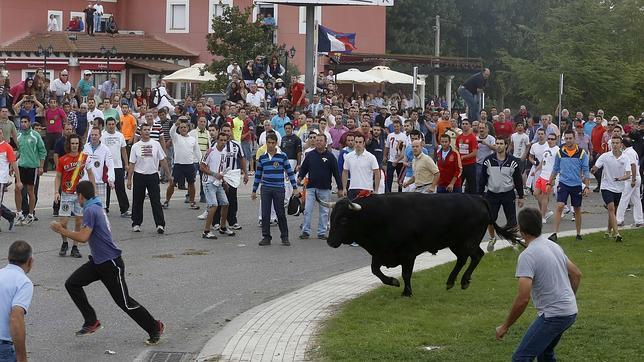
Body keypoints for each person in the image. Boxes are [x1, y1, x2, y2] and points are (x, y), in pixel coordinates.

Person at [50, 181, 165, 344]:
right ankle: (91, 321)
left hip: (111, 263)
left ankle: (155, 327)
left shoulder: (91, 209)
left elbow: (83, 238)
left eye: (77, 195)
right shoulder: (95, 206)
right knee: (72, 284)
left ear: (81, 195)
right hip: (98, 262)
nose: (77, 198)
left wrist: (61, 230)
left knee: (125, 302)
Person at [496, 208, 581, 361]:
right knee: (545, 353)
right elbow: (576, 274)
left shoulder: (527, 256)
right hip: (569, 311)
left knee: (520, 358)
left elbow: (523, 299)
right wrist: (568, 299)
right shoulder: (553, 245)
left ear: (521, 229)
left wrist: (505, 326)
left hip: (554, 315)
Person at [479, 137, 525, 252]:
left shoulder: (513, 161)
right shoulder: (488, 160)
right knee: (490, 219)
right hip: (492, 194)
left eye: (501, 143)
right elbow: (482, 179)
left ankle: (513, 242)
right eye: (497, 143)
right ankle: (492, 238)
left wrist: (521, 196)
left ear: (506, 145)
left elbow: (518, 180)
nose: (498, 145)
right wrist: (479, 195)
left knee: (512, 220)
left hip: (508, 194)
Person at [252, 133, 297, 246]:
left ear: (276, 143)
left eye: (273, 143)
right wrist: (254, 190)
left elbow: (290, 172)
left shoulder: (282, 156)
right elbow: (258, 174)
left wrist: (295, 187)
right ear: (266, 143)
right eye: (269, 142)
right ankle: (266, 237)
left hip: (279, 188)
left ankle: (285, 237)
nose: (271, 145)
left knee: (280, 213)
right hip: (266, 188)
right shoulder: (262, 157)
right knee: (265, 214)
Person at [55, 133, 95, 258]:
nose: (74, 146)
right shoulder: (62, 160)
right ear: (68, 144)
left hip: (80, 195)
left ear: (79, 144)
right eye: (72, 143)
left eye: (76, 143)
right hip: (66, 193)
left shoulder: (85, 158)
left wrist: (93, 190)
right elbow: (58, 177)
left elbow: (90, 173)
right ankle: (65, 242)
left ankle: (75, 247)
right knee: (64, 221)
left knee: (79, 220)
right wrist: (56, 192)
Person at [127, 124, 173, 234]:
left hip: (152, 175)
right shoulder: (136, 146)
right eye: (145, 130)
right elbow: (132, 164)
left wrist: (168, 175)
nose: (147, 132)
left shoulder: (156, 144)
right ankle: (136, 223)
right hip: (139, 176)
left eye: (148, 130)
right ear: (141, 132)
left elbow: (163, 160)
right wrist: (129, 179)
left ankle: (160, 224)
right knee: (137, 201)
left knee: (155, 201)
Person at [547, 130, 591, 242]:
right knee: (560, 206)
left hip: (576, 184)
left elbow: (586, 171)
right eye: (566, 138)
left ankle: (578, 233)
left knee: (577, 209)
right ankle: (554, 233)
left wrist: (586, 186)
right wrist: (549, 182)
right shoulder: (560, 152)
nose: (568, 140)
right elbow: (555, 168)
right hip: (563, 183)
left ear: (574, 138)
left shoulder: (581, 153)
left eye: (570, 138)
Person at [297, 133, 342, 239]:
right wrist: (300, 177)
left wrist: (340, 188)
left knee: (324, 212)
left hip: (325, 188)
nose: (318, 142)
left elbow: (336, 173)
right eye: (317, 140)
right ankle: (306, 231)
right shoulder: (310, 155)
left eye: (321, 140)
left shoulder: (330, 156)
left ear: (325, 142)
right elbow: (304, 168)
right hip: (311, 187)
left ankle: (321, 232)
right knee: (307, 210)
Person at [591, 136, 630, 242]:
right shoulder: (605, 156)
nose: (615, 145)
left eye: (617, 143)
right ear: (610, 144)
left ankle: (608, 230)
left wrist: (620, 178)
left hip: (619, 188)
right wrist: (593, 169)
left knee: (613, 211)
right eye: (613, 143)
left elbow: (628, 175)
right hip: (606, 186)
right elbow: (596, 166)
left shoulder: (625, 158)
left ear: (621, 144)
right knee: (611, 208)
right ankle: (617, 233)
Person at [0, 240, 34, 362]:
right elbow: (15, 317)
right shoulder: (23, 282)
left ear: (8, 258)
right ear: (30, 261)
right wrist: (22, 357)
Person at [200, 132, 234, 239]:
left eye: (225, 140)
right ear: (217, 140)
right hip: (208, 182)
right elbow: (202, 166)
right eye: (221, 140)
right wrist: (214, 174)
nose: (223, 142)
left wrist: (223, 181)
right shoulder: (211, 151)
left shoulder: (224, 152)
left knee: (225, 203)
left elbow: (221, 169)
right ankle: (206, 230)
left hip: (218, 182)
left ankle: (223, 227)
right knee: (213, 205)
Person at [162, 118, 201, 210]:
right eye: (181, 127)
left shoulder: (192, 139)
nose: (183, 129)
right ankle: (167, 201)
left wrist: (201, 162)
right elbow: (171, 131)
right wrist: (176, 123)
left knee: (191, 184)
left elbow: (197, 151)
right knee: (172, 184)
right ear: (179, 129)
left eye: (185, 127)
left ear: (188, 128)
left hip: (190, 165)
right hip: (178, 165)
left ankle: (192, 202)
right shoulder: (176, 137)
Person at [15, 118, 46, 226]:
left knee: (30, 191)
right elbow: (18, 151)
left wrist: (41, 166)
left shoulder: (35, 135)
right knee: (17, 190)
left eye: (25, 122)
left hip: (32, 167)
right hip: (21, 166)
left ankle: (31, 214)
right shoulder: (18, 136)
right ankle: (19, 214)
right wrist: (11, 165)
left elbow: (43, 151)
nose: (23, 124)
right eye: (22, 122)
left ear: (29, 123)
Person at [101, 118, 131, 217]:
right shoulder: (102, 135)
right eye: (109, 124)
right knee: (106, 189)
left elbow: (123, 151)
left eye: (113, 124)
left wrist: (126, 164)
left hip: (118, 166)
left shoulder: (120, 135)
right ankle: (105, 208)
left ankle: (124, 209)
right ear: (106, 125)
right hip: (106, 166)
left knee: (120, 188)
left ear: (115, 125)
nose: (111, 126)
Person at [82, 127, 115, 208]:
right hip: (86, 182)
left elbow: (110, 165)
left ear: (100, 135)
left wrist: (111, 179)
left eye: (96, 135)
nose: (93, 136)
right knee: (85, 208)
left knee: (99, 208)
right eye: (92, 135)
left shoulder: (105, 149)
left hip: (99, 182)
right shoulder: (84, 148)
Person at [615, 135, 643, 227]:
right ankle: (639, 220)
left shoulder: (628, 153)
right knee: (636, 200)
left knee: (624, 199)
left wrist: (633, 179)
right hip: (636, 177)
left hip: (632, 178)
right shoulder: (632, 151)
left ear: (623, 144)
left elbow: (633, 166)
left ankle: (619, 220)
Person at [342, 133, 381, 199]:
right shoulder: (348, 156)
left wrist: (376, 190)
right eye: (356, 142)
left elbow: (377, 173)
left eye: (360, 142)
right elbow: (345, 172)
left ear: (364, 143)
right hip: (352, 188)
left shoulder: (371, 157)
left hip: (366, 188)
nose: (358, 144)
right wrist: (344, 188)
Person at [533, 134, 559, 224]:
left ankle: (543, 216)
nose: (550, 140)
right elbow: (542, 161)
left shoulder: (557, 150)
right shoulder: (546, 148)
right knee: (535, 193)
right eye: (549, 139)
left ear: (556, 140)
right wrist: (536, 169)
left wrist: (554, 178)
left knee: (545, 197)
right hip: (542, 175)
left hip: (549, 177)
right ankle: (546, 210)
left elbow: (558, 165)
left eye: (552, 139)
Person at [0, 129, 20, 231]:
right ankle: (10, 215)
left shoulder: (7, 147)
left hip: (1, 179)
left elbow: (14, 164)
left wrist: (19, 180)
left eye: (0, 133)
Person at [383, 119, 407, 193]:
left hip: (400, 161)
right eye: (394, 126)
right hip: (391, 160)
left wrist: (399, 159)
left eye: (397, 126)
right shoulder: (390, 135)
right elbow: (387, 147)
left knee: (400, 179)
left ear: (401, 127)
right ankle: (388, 193)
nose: (396, 128)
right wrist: (385, 156)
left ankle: (400, 193)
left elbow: (404, 150)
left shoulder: (404, 136)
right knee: (389, 178)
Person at [456, 118, 478, 194]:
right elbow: (457, 149)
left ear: (470, 126)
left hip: (470, 165)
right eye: (463, 124)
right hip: (461, 165)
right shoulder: (459, 137)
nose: (464, 125)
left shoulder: (472, 138)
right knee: (458, 184)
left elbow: (474, 153)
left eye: (466, 124)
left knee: (472, 185)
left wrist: (464, 157)